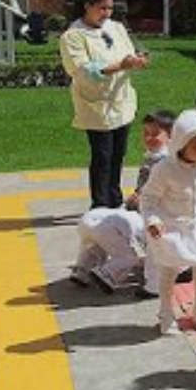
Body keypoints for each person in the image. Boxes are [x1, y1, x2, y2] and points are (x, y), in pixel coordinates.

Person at [59, 0, 149, 209]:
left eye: (110, 8)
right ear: (87, 6)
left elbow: (127, 52)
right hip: (96, 105)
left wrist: (136, 60)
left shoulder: (116, 27)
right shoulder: (73, 36)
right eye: (102, 8)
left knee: (118, 154)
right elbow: (84, 70)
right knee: (102, 156)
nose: (106, 13)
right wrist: (121, 65)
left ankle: (114, 198)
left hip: (121, 100)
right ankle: (99, 204)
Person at [72, 110, 174, 295]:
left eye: (155, 134)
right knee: (133, 255)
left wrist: (139, 195)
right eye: (146, 133)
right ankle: (107, 274)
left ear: (171, 136)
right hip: (142, 217)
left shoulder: (162, 160)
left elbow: (157, 187)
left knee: (98, 242)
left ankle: (82, 268)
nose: (149, 138)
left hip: (95, 219)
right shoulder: (157, 158)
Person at [141, 110, 196, 335]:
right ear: (181, 143)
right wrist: (153, 220)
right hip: (173, 229)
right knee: (169, 271)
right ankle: (166, 313)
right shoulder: (165, 169)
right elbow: (148, 199)